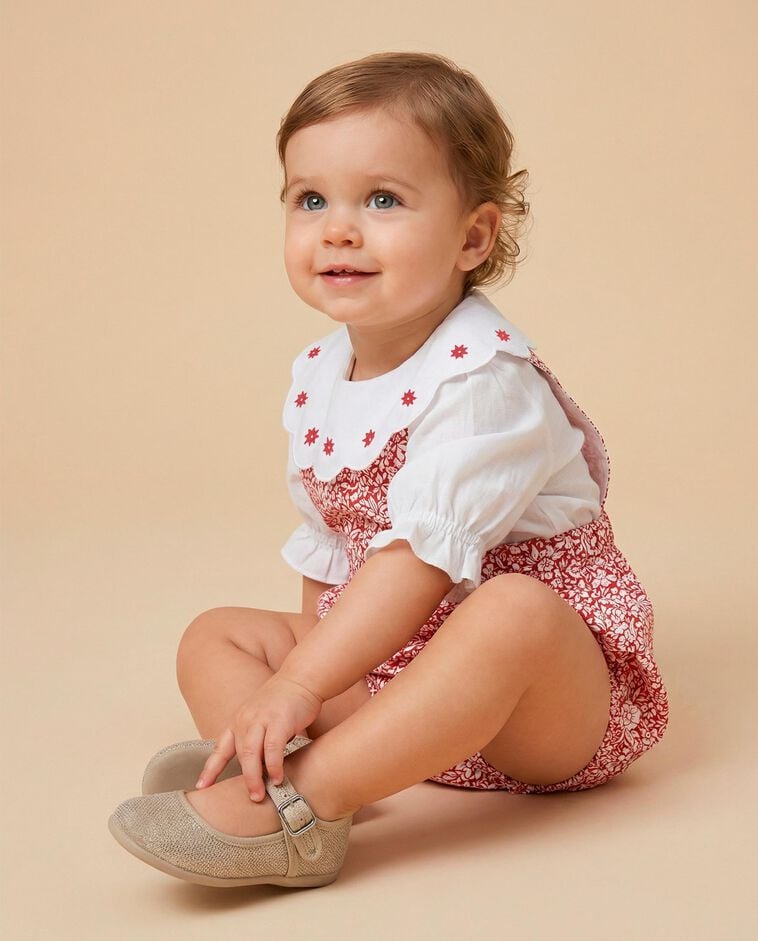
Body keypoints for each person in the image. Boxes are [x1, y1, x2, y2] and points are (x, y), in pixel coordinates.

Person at [108, 51, 670, 888]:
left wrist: (301, 682)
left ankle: (305, 805)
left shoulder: (483, 380)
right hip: (400, 671)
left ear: (472, 237)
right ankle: (281, 763)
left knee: (512, 609)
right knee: (215, 635)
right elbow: (331, 546)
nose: (338, 229)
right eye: (311, 199)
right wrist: (305, 680)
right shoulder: (320, 374)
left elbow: (418, 563)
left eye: (382, 199)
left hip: (538, 707)